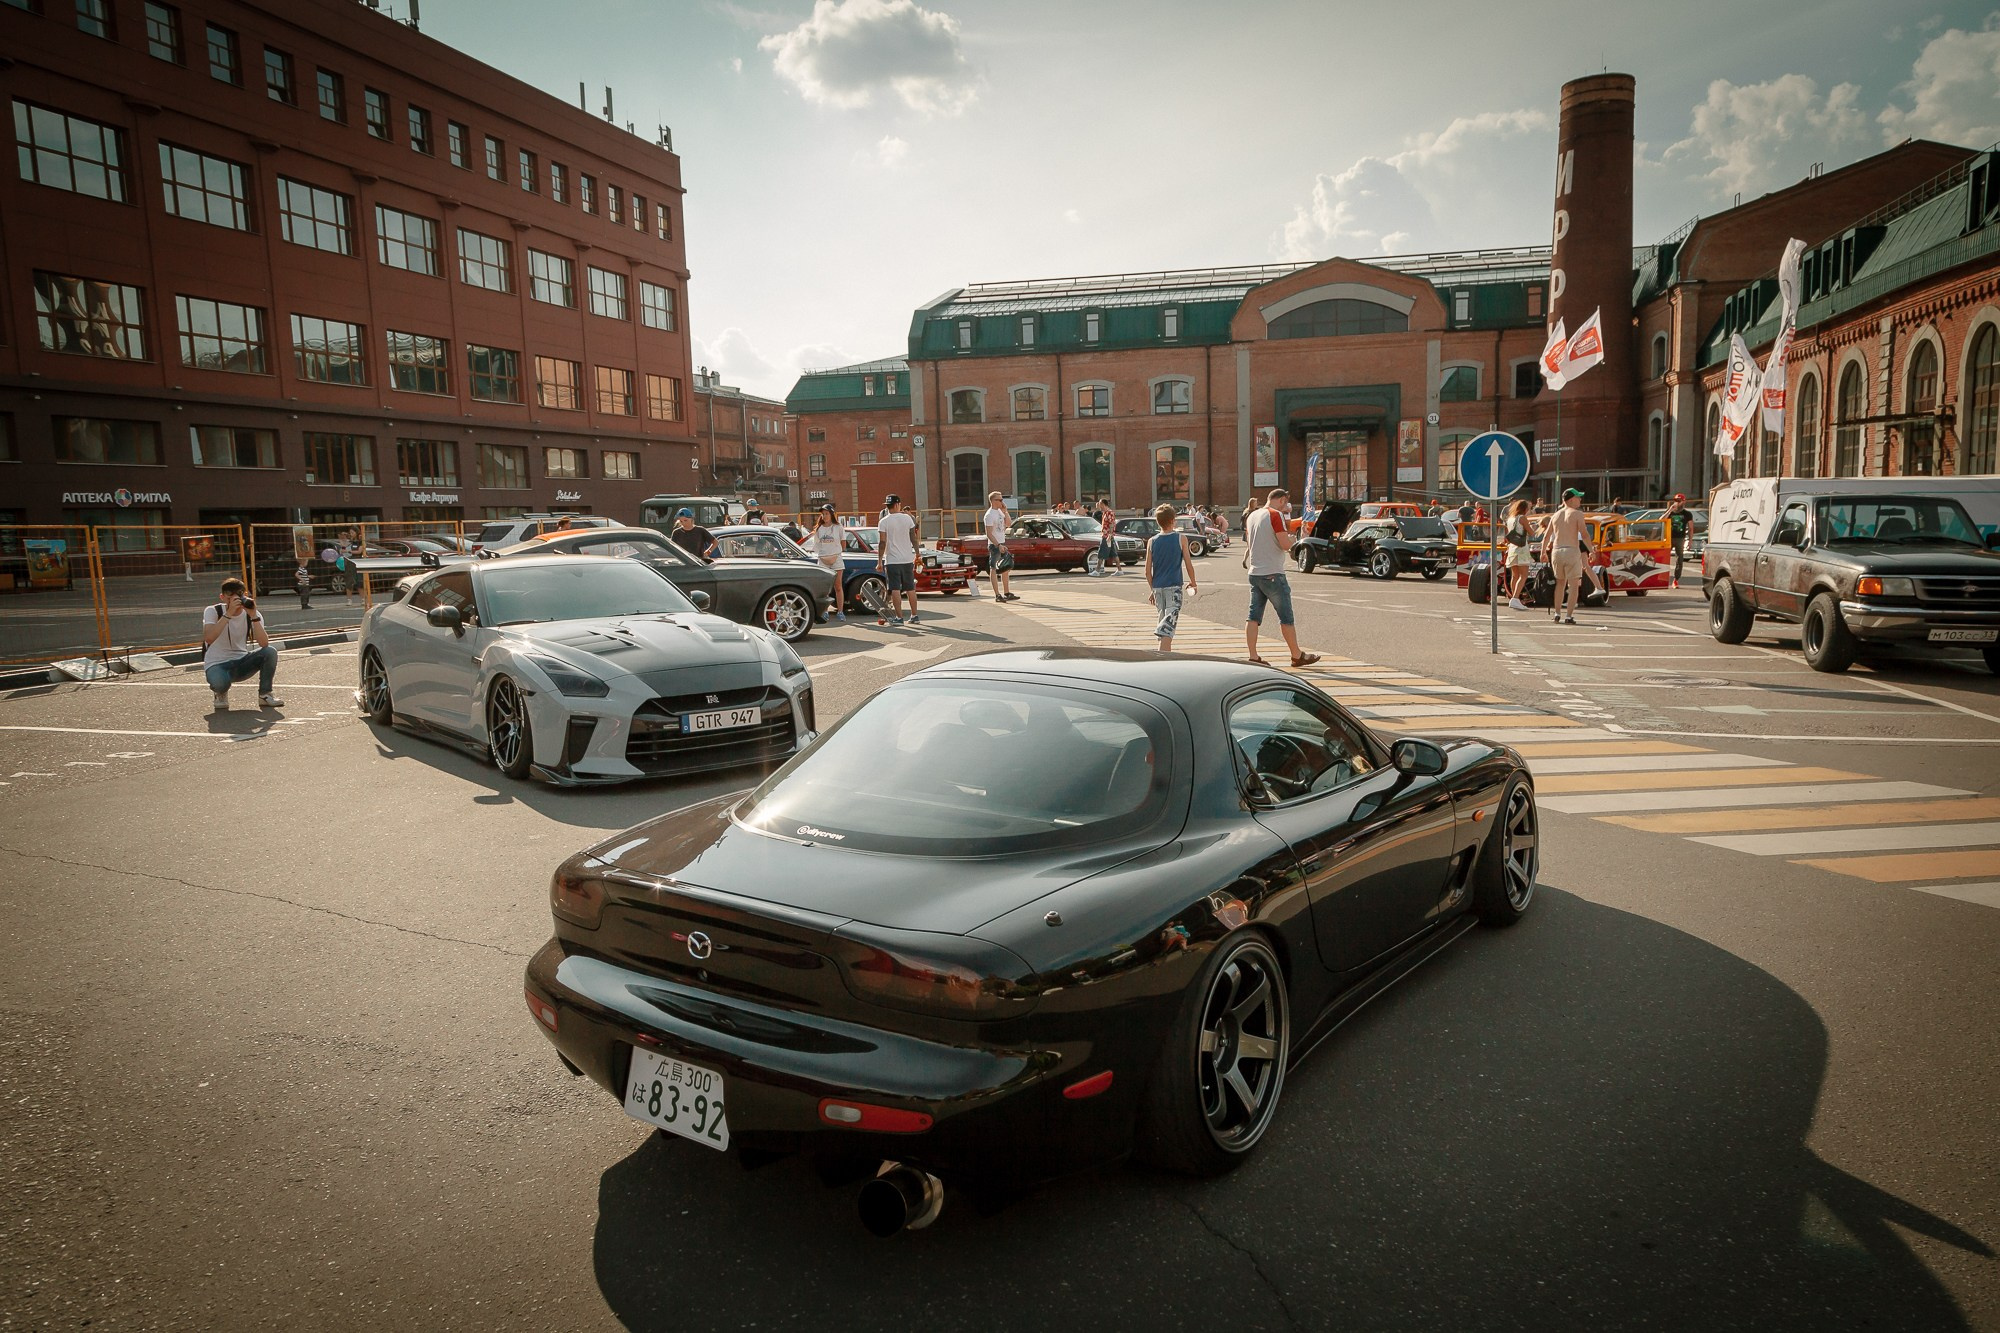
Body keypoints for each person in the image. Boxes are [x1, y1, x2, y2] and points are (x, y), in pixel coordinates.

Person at [1244, 488, 1320, 668]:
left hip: (1255, 572)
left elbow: (1251, 542)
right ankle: (1296, 655)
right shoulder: (1275, 515)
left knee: (1253, 616)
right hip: (1272, 572)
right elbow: (1285, 545)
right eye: (1285, 503)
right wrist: (1295, 540)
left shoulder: (1252, 515)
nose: (1286, 507)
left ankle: (1253, 656)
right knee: (1286, 617)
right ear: (1280, 500)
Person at [203, 578, 282, 712]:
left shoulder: (251, 613)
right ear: (222, 597)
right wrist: (228, 614)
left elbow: (264, 643)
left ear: (244, 595)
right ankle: (220, 693)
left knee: (270, 651)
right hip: (217, 664)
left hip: (242, 662)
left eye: (238, 595)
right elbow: (209, 638)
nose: (235, 600)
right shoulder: (213, 611)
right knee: (220, 684)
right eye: (230, 596)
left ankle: (265, 694)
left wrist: (254, 616)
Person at [1145, 503, 1198, 652]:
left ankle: (1163, 654)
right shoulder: (1181, 538)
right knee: (1167, 630)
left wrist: (1152, 589)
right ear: (1172, 520)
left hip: (1158, 588)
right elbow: (1188, 564)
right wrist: (1193, 582)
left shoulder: (1152, 541)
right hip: (1173, 588)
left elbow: (1147, 571)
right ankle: (1163, 659)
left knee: (1164, 627)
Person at [1546, 488, 1592, 625]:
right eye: (1578, 497)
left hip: (1556, 551)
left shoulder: (1555, 515)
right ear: (1571, 499)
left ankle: (1557, 613)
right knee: (1573, 585)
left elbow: (1547, 536)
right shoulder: (1577, 514)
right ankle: (1569, 616)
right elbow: (1584, 534)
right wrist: (1591, 550)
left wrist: (1543, 552)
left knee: (1560, 583)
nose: (1580, 500)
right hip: (1571, 550)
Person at [875, 494, 921, 626]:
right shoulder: (907, 519)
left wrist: (879, 561)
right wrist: (917, 554)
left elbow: (882, 543)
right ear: (897, 504)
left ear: (888, 506)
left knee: (895, 588)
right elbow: (913, 538)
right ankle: (914, 615)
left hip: (892, 560)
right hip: (907, 559)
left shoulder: (883, 521)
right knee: (910, 588)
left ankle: (899, 618)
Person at [807, 504, 847, 622]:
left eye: (826, 514)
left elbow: (843, 544)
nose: (824, 516)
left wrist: (835, 551)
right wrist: (823, 554)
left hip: (836, 558)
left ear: (831, 514)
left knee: (838, 586)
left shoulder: (838, 527)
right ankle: (824, 611)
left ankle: (840, 611)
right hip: (823, 560)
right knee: (824, 588)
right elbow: (816, 545)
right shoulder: (819, 528)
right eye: (823, 514)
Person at [982, 490, 1017, 602]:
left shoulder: (1000, 512)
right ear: (993, 501)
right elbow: (989, 533)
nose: (1002, 502)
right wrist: (998, 545)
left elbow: (1008, 524)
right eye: (1000, 500)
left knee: (1005, 568)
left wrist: (1005, 511)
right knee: (993, 568)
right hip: (994, 545)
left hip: (1002, 542)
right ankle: (997, 594)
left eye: (1002, 499)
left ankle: (1007, 592)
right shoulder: (989, 515)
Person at [1502, 498, 1534, 610]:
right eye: (1528, 508)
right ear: (1524, 509)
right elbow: (1531, 532)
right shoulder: (1522, 518)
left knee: (1515, 575)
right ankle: (1515, 598)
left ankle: (1513, 597)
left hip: (1512, 548)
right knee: (1523, 575)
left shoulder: (1510, 519)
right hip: (1521, 548)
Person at [1665, 493, 1692, 589]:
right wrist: (1669, 510)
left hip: (1680, 539)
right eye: (1676, 501)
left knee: (1679, 559)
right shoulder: (1671, 512)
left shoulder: (1687, 514)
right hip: (1669, 538)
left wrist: (1690, 541)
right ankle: (1662, 579)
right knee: (1664, 558)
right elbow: (1661, 520)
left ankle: (1676, 580)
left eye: (1679, 501)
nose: (1677, 503)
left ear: (1684, 502)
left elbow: (1691, 528)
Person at [1094, 498, 1119, 576]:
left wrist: (1110, 535)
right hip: (1107, 535)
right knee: (1114, 554)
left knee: (1101, 552)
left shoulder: (1109, 513)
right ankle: (1119, 569)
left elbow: (1111, 524)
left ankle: (1097, 570)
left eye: (1100, 504)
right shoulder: (1104, 513)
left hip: (1107, 536)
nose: (1099, 506)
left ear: (1103, 504)